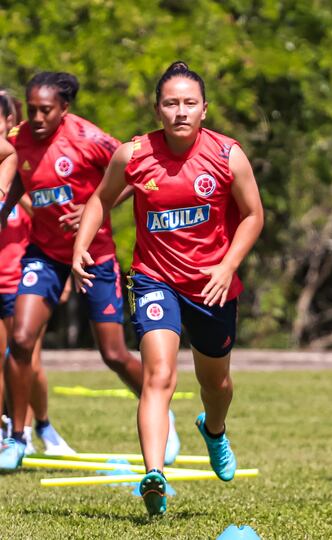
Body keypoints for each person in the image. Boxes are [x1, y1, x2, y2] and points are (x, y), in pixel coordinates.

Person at [72, 61, 264, 516]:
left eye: (190, 103)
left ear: (204, 109)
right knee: (158, 376)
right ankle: (153, 474)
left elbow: (254, 216)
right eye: (171, 103)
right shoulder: (133, 155)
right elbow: (100, 199)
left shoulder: (226, 155)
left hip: (212, 285)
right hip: (154, 279)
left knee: (214, 383)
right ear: (157, 109)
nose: (181, 111)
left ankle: (213, 430)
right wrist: (80, 245)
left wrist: (227, 265)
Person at [0, 71, 180, 469]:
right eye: (31, 110)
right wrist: (6, 206)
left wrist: (96, 206)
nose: (38, 117)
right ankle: (16, 438)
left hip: (93, 254)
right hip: (43, 254)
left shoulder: (88, 138)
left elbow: (137, 170)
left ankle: (159, 408)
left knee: (114, 353)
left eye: (46, 110)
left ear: (65, 109)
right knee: (23, 338)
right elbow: (19, 179)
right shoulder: (20, 139)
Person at [0, 90, 74, 455]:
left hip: (21, 279)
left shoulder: (21, 179)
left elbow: (50, 225)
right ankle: (12, 431)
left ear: (10, 123)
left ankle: (38, 426)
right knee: (6, 360)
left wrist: (66, 274)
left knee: (26, 356)